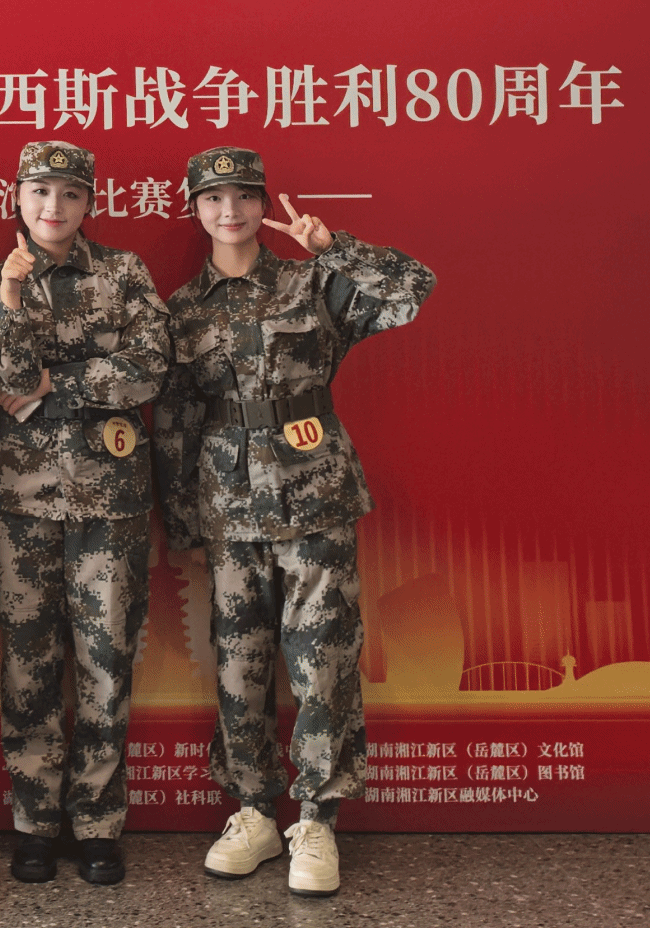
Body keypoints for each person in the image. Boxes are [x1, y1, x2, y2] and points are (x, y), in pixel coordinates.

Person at [155, 147, 434, 899]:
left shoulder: (313, 284)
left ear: (263, 204)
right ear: (195, 209)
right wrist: (183, 521)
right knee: (239, 661)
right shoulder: (181, 309)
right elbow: (175, 420)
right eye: (214, 198)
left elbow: (413, 289)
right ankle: (253, 809)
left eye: (245, 195)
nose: (231, 210)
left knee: (322, 658)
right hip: (228, 505)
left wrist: (333, 247)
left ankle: (316, 818)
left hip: (315, 496)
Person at [0, 140, 169, 887]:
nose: (52, 207)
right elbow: (6, 374)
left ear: (90, 201)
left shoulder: (123, 272)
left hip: (110, 499)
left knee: (106, 660)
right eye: (39, 192)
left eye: (69, 194)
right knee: (28, 663)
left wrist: (58, 383)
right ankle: (34, 820)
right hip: (22, 502)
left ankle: (97, 822)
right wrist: (14, 301)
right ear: (16, 197)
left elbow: (149, 368)